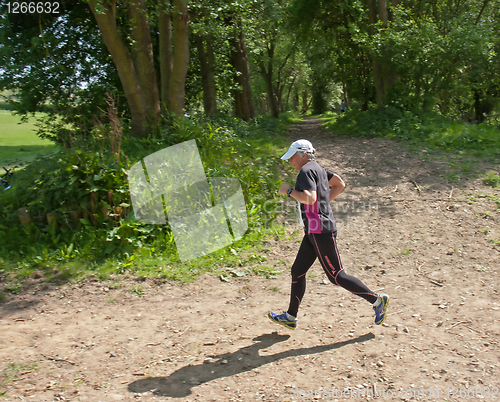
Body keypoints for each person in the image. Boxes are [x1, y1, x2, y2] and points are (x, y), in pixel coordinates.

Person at [268, 139, 389, 330]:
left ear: (302, 154)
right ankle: (290, 316)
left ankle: (377, 300)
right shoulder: (319, 169)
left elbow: (309, 198)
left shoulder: (306, 171)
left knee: (336, 276)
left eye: (292, 158)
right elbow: (339, 184)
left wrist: (289, 191)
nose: (290, 162)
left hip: (319, 231)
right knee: (297, 271)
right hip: (314, 230)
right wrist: (322, 206)